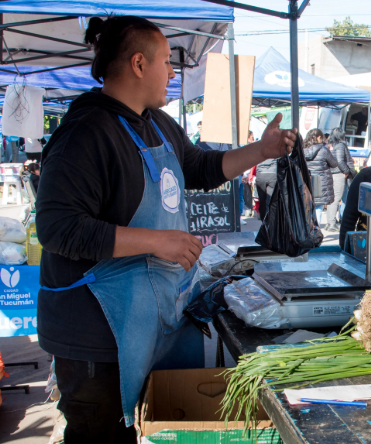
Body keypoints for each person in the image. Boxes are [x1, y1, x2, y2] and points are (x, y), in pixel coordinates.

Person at [35, 16, 296, 442]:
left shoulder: (156, 121)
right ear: (139, 64)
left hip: (151, 322)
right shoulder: (86, 133)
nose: (173, 73)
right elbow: (58, 228)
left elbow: (201, 168)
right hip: (94, 336)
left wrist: (262, 150)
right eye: (166, 63)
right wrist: (157, 242)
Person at [304, 128, 338, 227]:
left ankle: (308, 232)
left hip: (307, 182)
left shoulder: (302, 150)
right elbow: (334, 164)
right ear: (318, 138)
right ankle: (316, 232)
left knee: (307, 209)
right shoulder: (324, 150)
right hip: (320, 183)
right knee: (318, 209)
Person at [326, 127, 354, 232]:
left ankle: (331, 222)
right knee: (336, 199)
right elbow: (340, 160)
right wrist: (346, 171)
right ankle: (332, 223)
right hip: (339, 174)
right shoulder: (340, 145)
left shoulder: (330, 145)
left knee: (334, 199)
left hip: (333, 173)